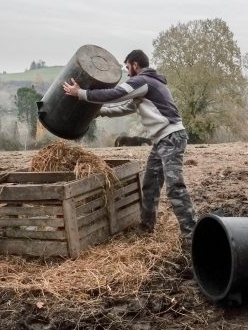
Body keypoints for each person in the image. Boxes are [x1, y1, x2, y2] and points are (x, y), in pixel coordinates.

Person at [63, 49, 197, 245]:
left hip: (171, 137)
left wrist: (81, 93)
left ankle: (191, 235)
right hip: (162, 140)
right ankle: (146, 227)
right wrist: (100, 112)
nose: (127, 72)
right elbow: (126, 107)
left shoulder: (143, 81)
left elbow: (116, 94)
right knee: (150, 185)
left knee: (174, 186)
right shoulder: (149, 84)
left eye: (127, 67)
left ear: (135, 64)